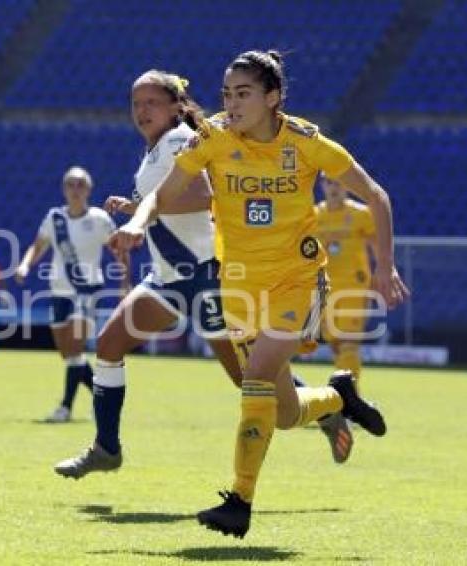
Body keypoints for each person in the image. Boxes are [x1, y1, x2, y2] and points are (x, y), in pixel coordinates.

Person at [109, 50, 409, 538]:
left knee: (256, 379)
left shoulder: (306, 142)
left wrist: (385, 266)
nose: (231, 103)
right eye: (227, 93)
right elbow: (165, 194)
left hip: (298, 279)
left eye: (243, 93)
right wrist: (137, 221)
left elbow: (377, 195)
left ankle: (239, 500)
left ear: (273, 99)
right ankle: (337, 397)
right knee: (285, 413)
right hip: (240, 287)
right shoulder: (213, 138)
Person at [54, 70, 243, 478]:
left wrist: (144, 213)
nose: (142, 111)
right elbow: (163, 199)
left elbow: (204, 195)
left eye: (151, 102)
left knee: (249, 380)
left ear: (176, 107)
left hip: (205, 274)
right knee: (109, 343)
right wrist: (133, 208)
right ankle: (106, 447)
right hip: (168, 277)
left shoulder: (178, 141)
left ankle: (328, 406)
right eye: (136, 103)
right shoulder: (157, 149)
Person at [15, 166, 125, 423]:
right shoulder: (55, 218)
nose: (75, 190)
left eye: (80, 185)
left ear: (89, 189)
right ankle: (103, 396)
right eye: (70, 185)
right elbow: (38, 245)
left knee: (75, 349)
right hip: (59, 291)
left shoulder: (99, 219)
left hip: (86, 291)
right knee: (68, 353)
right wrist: (24, 264)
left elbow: (118, 251)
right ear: (64, 189)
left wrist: (124, 283)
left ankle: (65, 408)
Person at [315, 174, 378, 386]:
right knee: (335, 343)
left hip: (354, 286)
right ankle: (345, 392)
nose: (335, 188)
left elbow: (376, 246)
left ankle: (350, 397)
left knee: (349, 342)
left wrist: (382, 273)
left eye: (340, 183)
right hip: (325, 288)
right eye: (330, 182)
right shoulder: (313, 216)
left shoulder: (361, 214)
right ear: (323, 185)